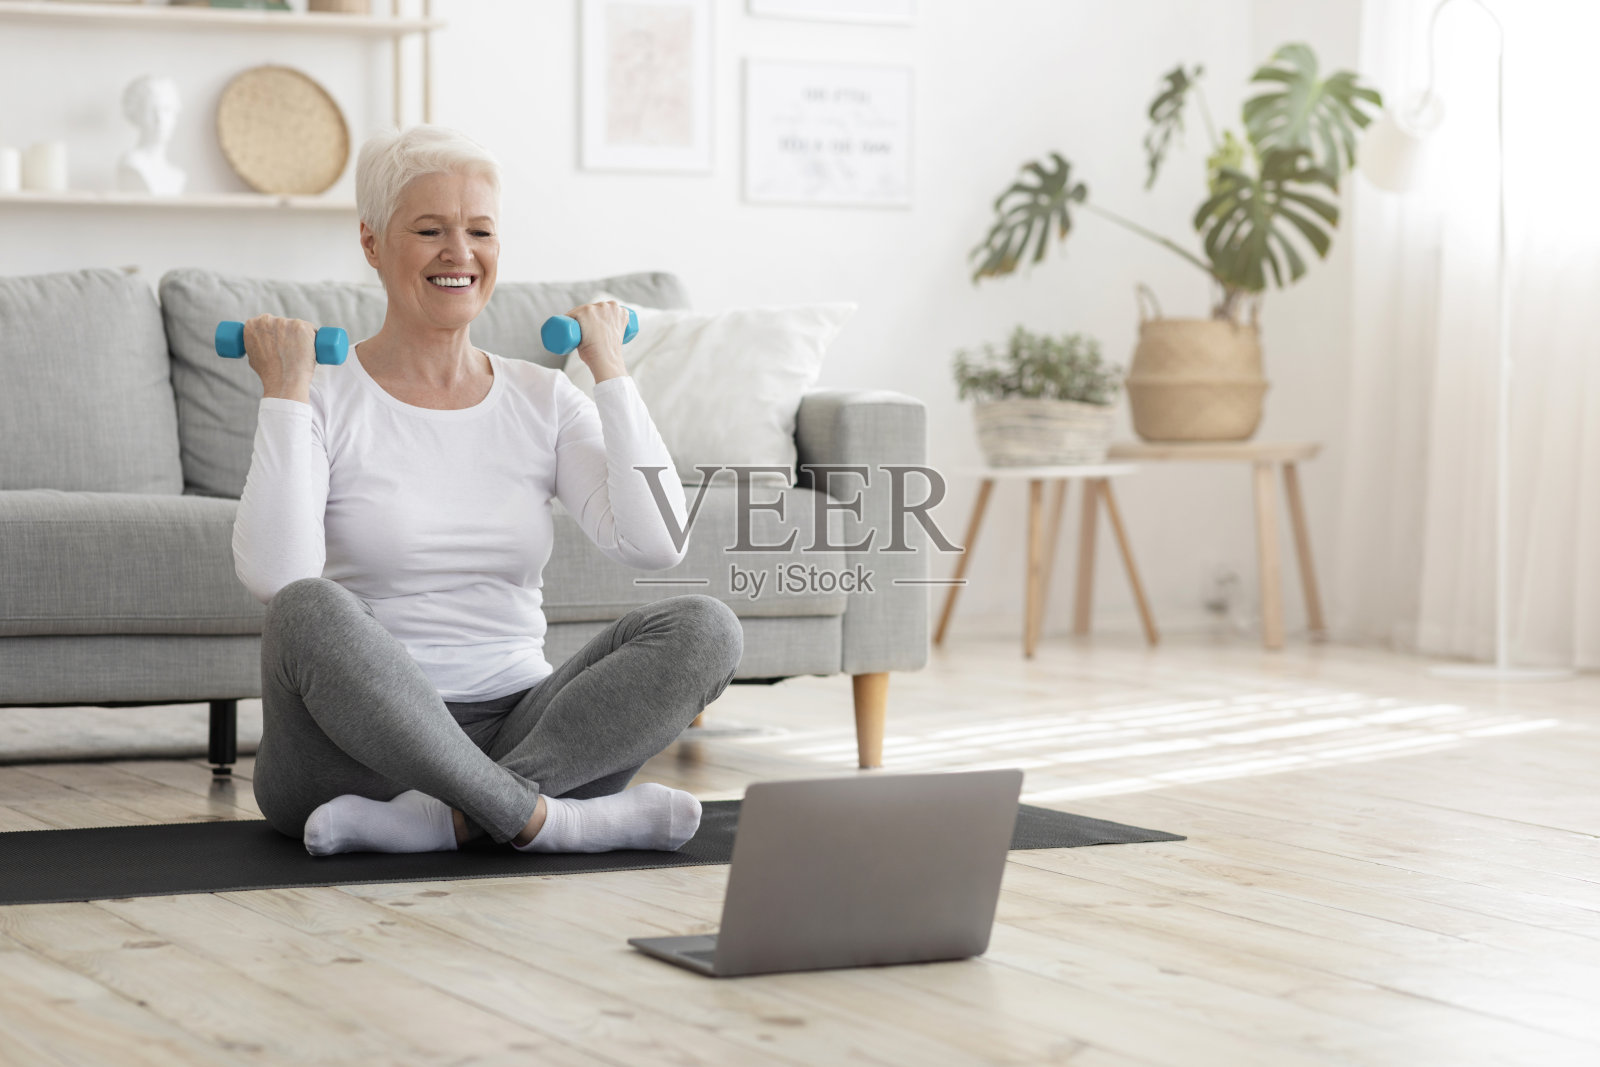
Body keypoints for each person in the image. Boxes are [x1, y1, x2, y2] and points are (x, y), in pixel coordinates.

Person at [233, 124, 743, 857]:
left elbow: (657, 542)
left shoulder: (543, 397)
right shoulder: (324, 396)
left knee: (707, 627)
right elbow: (277, 576)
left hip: (524, 728)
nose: (460, 253)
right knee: (306, 608)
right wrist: (284, 391)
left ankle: (453, 818)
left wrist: (610, 370)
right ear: (373, 244)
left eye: (479, 231)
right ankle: (547, 821)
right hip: (357, 757)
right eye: (430, 229)